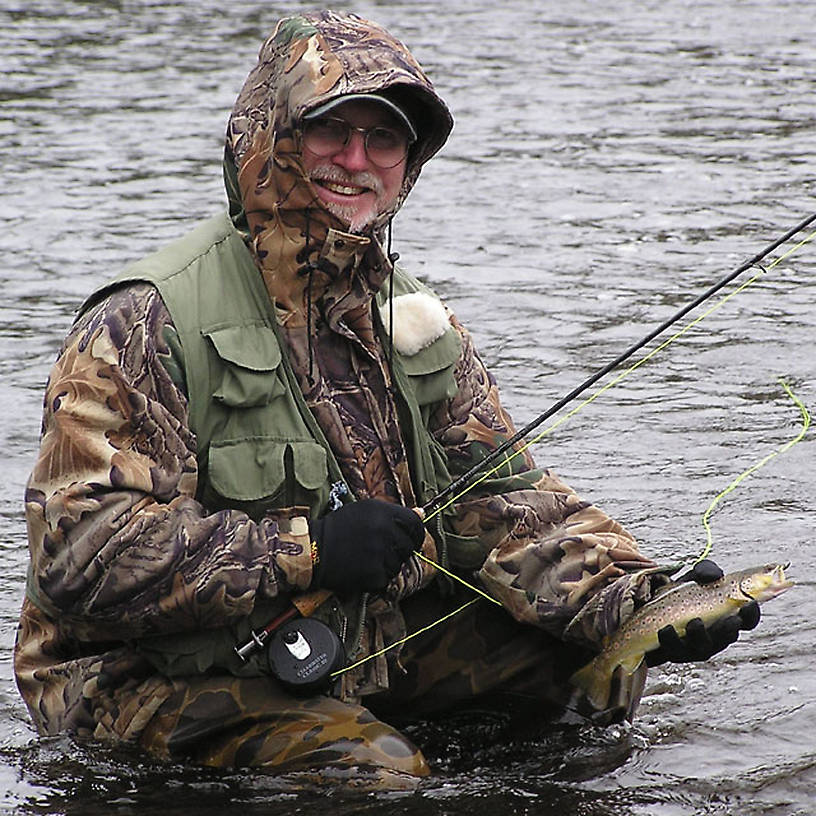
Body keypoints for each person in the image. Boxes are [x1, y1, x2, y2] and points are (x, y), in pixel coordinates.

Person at [14, 10, 760, 789]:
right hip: (129, 676)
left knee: (585, 673)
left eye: (384, 140)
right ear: (274, 136)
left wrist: (641, 600)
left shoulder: (414, 320)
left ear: (409, 162)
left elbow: (510, 510)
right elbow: (82, 557)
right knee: (375, 772)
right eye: (332, 132)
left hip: (349, 641)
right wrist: (308, 549)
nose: (356, 161)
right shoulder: (144, 321)